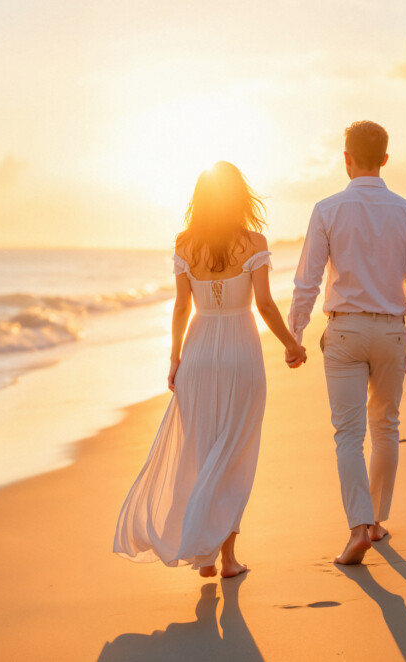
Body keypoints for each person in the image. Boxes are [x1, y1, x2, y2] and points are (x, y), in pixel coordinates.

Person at [113, 161, 306, 578]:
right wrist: (291, 344)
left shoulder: (185, 245)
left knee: (203, 452)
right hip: (241, 353)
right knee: (234, 455)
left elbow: (181, 307)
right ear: (239, 197)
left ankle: (204, 553)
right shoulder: (253, 242)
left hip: (198, 355)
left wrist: (174, 358)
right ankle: (226, 557)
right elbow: (265, 305)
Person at [288, 120, 406, 565]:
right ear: (385, 159)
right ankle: (375, 523)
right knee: (385, 426)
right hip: (391, 330)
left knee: (348, 434)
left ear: (346, 158)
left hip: (346, 330)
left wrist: (295, 333)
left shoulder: (328, 209)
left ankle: (357, 527)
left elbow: (307, 279)